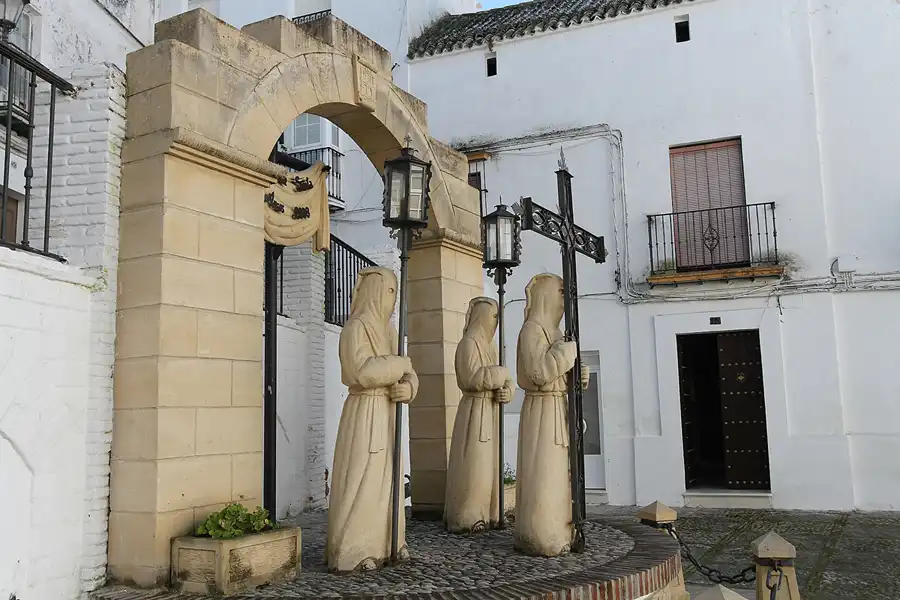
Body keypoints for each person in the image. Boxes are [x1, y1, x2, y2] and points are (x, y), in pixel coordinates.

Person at [326, 267, 418, 572]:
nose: (393, 299)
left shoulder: (390, 333)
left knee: (388, 480)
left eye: (396, 291)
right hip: (365, 413)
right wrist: (399, 365)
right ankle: (355, 548)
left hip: (388, 413)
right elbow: (361, 372)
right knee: (362, 479)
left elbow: (409, 373)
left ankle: (389, 541)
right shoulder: (355, 328)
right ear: (376, 291)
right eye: (389, 291)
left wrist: (409, 387)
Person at [513, 273, 589, 557]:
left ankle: (561, 529)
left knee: (560, 475)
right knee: (543, 472)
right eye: (559, 292)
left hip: (557, 407)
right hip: (542, 411)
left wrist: (577, 376)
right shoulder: (532, 329)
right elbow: (536, 373)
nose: (563, 299)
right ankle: (541, 533)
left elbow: (561, 373)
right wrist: (565, 355)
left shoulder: (557, 333)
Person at [445, 297, 514, 533]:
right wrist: (501, 374)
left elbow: (506, 381)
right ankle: (470, 515)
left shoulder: (490, 347)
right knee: (475, 465)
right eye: (493, 316)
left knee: (489, 467)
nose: (496, 322)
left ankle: (490, 512)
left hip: (491, 411)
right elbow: (471, 379)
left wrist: (507, 390)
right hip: (475, 412)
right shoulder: (468, 344)